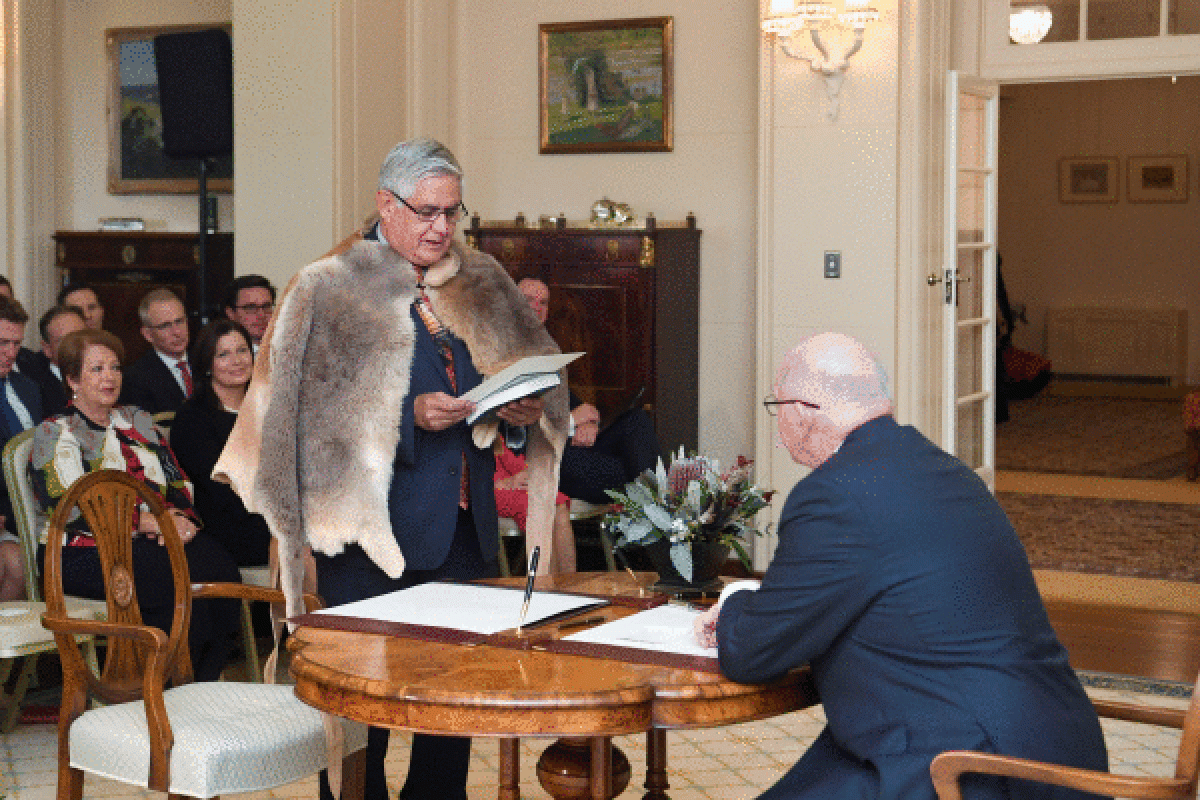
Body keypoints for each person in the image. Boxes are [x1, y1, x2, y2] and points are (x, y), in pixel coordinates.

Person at [213, 137, 570, 800]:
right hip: (369, 529)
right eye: (427, 211)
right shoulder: (329, 286)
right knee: (360, 715)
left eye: (453, 213)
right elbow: (298, 422)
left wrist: (523, 407)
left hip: (465, 527)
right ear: (386, 203)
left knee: (452, 706)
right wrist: (408, 420)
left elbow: (538, 372)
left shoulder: (478, 277)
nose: (442, 228)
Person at [694, 332, 1108, 800]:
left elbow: (754, 653)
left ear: (804, 411)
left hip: (969, 768)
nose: (776, 428)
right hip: (1055, 750)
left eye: (777, 408)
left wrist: (732, 606)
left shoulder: (833, 496)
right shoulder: (947, 470)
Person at [29, 329, 241, 681]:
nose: (109, 377)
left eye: (115, 367)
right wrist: (147, 523)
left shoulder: (138, 420)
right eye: (96, 369)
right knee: (166, 575)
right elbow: (70, 506)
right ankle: (161, 682)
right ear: (72, 379)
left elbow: (177, 478)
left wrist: (178, 517)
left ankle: (202, 678)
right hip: (83, 551)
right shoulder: (55, 432)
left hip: (156, 535)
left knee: (216, 563)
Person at [517, 277, 661, 503]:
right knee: (631, 470)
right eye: (528, 300)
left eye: (543, 303)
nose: (537, 307)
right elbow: (512, 429)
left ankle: (652, 508)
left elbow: (577, 406)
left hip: (567, 443)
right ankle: (657, 511)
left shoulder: (544, 350)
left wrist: (589, 423)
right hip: (538, 456)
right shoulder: (499, 353)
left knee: (637, 422)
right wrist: (571, 422)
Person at [170, 320, 271, 567]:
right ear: (207, 364)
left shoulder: (269, 407)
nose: (236, 361)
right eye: (223, 354)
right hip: (230, 527)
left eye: (242, 350)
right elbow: (218, 490)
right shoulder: (192, 419)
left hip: (277, 515)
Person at [0, 296, 41, 600]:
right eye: (2, 343)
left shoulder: (27, 386)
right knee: (16, 562)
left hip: (33, 505)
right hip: (6, 509)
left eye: (16, 344)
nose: (10, 353)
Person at [493, 439, 575, 573]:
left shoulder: (492, 430)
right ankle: (549, 586)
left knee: (558, 503)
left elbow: (508, 458)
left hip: (509, 485)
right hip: (485, 490)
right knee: (540, 508)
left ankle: (569, 583)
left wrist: (528, 473)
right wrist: (500, 482)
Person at [119, 287, 192, 413]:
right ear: (148, 334)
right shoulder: (135, 378)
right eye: (165, 326)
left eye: (179, 321)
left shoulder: (206, 361)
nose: (177, 332)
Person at [16, 306, 86, 419]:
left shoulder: (112, 373)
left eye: (81, 336)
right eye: (65, 340)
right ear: (47, 349)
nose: (77, 346)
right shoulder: (33, 387)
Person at [222, 275, 276, 352]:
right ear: (231, 313)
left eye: (266, 306)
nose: (261, 315)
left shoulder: (289, 351)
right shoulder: (225, 357)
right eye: (251, 308)